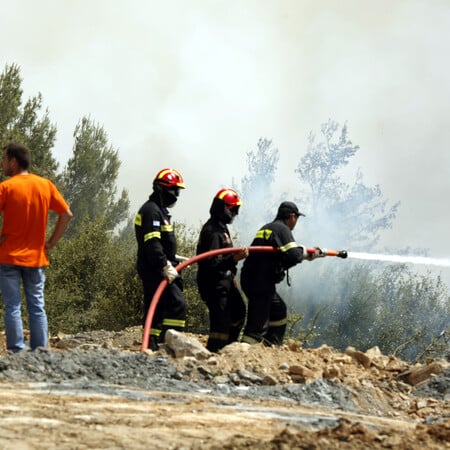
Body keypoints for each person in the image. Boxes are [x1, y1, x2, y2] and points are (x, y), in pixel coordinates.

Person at [0, 142, 73, 353]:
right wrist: (51, 242)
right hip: (36, 257)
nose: (2, 163)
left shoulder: (6, 187)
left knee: (13, 306)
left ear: (14, 162)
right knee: (37, 306)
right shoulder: (45, 185)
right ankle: (40, 351)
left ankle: (16, 351)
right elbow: (67, 214)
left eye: (4, 159)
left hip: (8, 257)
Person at [240, 201, 324, 346]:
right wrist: (308, 254)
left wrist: (307, 254)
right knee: (257, 324)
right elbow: (293, 255)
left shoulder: (268, 228)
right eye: (296, 218)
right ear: (292, 216)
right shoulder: (282, 229)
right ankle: (241, 352)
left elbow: (280, 257)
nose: (296, 222)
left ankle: (270, 346)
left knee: (278, 310)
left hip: (254, 278)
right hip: (260, 281)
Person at [134, 168, 187, 351]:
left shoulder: (160, 211)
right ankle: (172, 345)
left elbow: (162, 243)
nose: (176, 195)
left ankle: (152, 344)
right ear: (160, 188)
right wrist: (164, 264)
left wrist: (173, 258)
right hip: (154, 268)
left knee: (156, 308)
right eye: (174, 190)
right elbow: (152, 243)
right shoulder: (151, 211)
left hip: (160, 266)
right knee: (176, 303)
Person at [196, 188, 248, 352]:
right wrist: (234, 259)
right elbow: (211, 263)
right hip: (214, 285)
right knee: (221, 324)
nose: (235, 213)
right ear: (224, 207)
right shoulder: (212, 231)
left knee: (239, 312)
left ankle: (228, 348)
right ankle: (215, 353)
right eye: (233, 209)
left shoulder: (221, 228)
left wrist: (231, 273)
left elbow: (222, 259)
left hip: (225, 282)